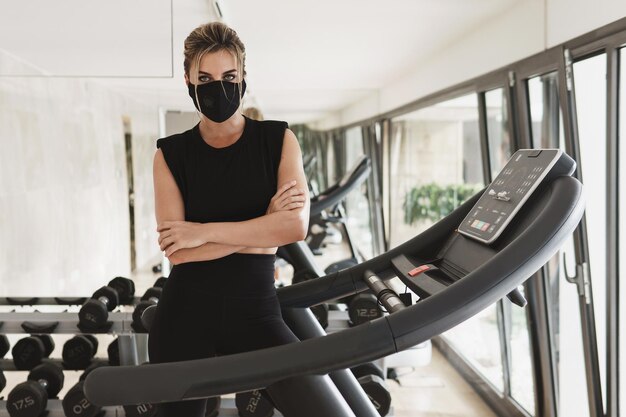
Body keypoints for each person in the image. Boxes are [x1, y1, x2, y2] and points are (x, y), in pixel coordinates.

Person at [149, 21, 309, 417]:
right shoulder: (169, 155)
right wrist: (262, 231)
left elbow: (294, 227)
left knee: (316, 401)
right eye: (204, 77)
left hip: (256, 312)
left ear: (243, 79)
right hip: (183, 316)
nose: (217, 87)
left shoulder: (278, 140)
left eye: (228, 76)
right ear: (187, 79)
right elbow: (178, 254)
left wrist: (202, 233)